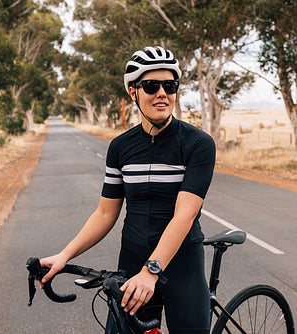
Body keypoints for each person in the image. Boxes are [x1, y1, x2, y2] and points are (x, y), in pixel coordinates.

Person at [39, 46, 216, 334]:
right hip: (133, 263)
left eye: (169, 85)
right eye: (151, 85)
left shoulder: (198, 144)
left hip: (182, 265)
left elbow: (185, 215)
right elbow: (105, 213)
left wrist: (151, 271)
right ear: (133, 92)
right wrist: (64, 255)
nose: (162, 92)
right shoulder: (120, 148)